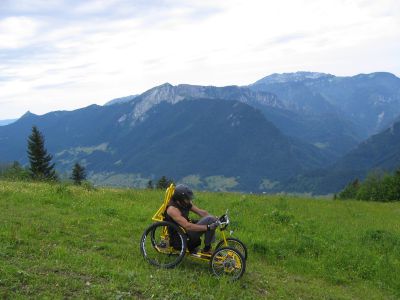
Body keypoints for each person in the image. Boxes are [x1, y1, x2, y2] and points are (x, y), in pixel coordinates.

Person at [164, 184, 219, 254]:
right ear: (180, 199)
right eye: (187, 199)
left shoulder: (185, 203)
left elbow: (201, 212)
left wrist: (216, 219)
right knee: (210, 222)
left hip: (186, 230)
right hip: (181, 237)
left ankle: (207, 248)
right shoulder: (172, 210)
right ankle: (207, 249)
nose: (189, 200)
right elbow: (187, 226)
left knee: (211, 220)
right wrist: (207, 227)